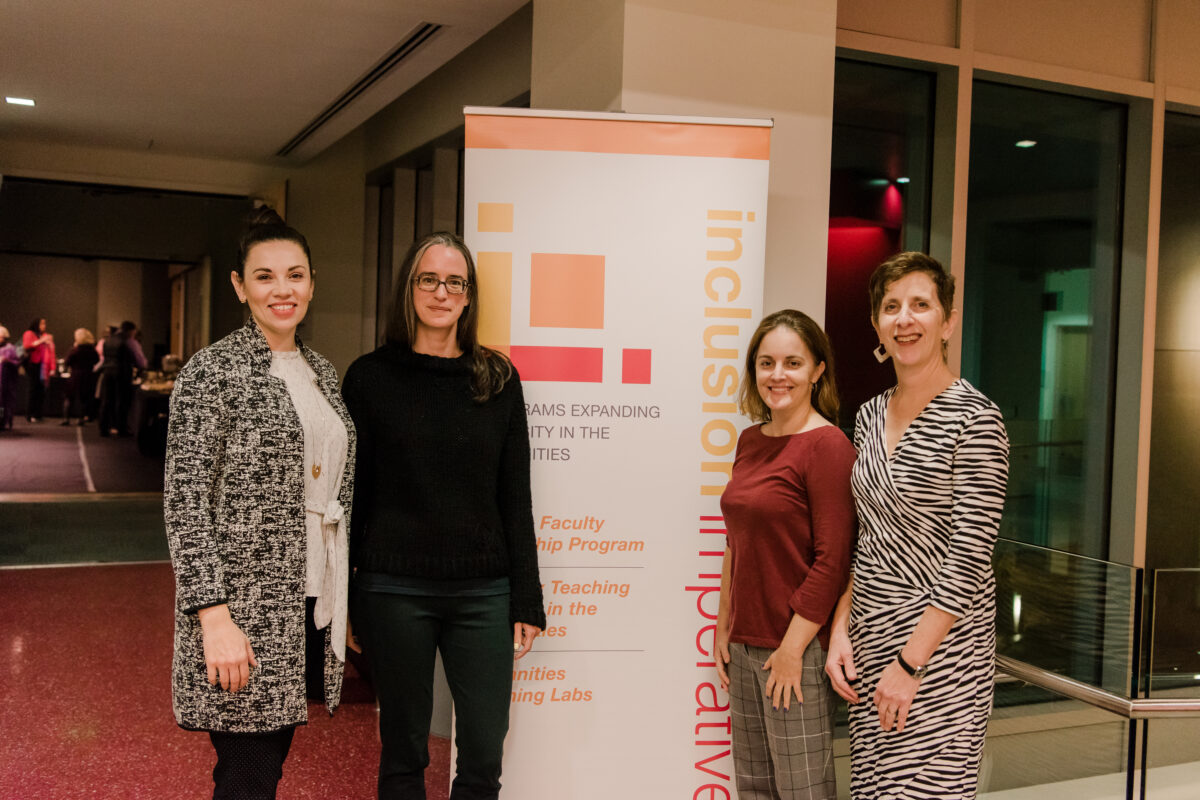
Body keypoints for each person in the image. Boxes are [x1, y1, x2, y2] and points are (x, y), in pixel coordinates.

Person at [342, 231, 545, 800]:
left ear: (469, 295)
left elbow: (516, 496)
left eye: (454, 281)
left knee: (483, 754)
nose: (441, 292)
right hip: (393, 590)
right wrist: (349, 601)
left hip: (484, 593)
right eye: (427, 279)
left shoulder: (497, 379)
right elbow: (354, 498)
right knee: (403, 751)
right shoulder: (368, 378)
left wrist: (526, 598)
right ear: (408, 289)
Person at [164, 207, 357, 800]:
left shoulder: (321, 370)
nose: (283, 289)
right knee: (249, 773)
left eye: (295, 275)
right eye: (265, 275)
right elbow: (185, 499)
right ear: (239, 286)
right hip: (243, 608)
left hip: (307, 598)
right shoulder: (211, 371)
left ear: (312, 281)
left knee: (261, 769)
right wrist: (213, 617)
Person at [824, 252, 1009, 799]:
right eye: (891, 307)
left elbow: (969, 558)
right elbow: (870, 539)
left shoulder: (976, 418)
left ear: (947, 321)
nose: (905, 319)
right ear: (878, 324)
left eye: (921, 305)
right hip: (872, 640)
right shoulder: (869, 414)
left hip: (940, 658)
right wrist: (841, 629)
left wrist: (909, 664)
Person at [714, 309, 856, 800]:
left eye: (793, 362)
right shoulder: (750, 440)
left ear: (818, 371)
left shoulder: (828, 446)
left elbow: (833, 560)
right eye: (767, 362)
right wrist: (723, 625)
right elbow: (737, 540)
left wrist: (793, 650)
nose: (778, 375)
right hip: (744, 645)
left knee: (803, 792)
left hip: (795, 649)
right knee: (755, 790)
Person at [97, 320, 146, 436]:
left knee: (107, 400)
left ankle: (104, 428)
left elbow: (104, 358)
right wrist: (142, 367)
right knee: (122, 400)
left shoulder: (108, 340)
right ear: (131, 331)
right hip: (122, 372)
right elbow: (139, 360)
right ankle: (121, 428)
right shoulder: (129, 341)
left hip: (107, 371)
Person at [62, 328, 100, 425]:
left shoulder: (75, 350)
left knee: (69, 398)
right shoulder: (92, 351)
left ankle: (66, 419)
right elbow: (97, 361)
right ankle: (81, 419)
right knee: (84, 399)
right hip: (88, 376)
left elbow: (67, 362)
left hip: (75, 375)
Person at [21, 318, 54, 422]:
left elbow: (51, 351)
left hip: (42, 365)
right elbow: (27, 346)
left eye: (45, 323)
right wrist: (41, 341)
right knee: (33, 389)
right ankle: (29, 414)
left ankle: (38, 414)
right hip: (33, 364)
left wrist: (52, 367)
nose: (44, 326)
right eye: (42, 323)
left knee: (41, 390)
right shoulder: (29, 333)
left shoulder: (43, 335)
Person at [0, 326, 20, 431]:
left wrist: (8, 361)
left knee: (4, 403)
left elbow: (17, 362)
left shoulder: (10, 349)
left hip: (7, 382)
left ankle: (3, 421)